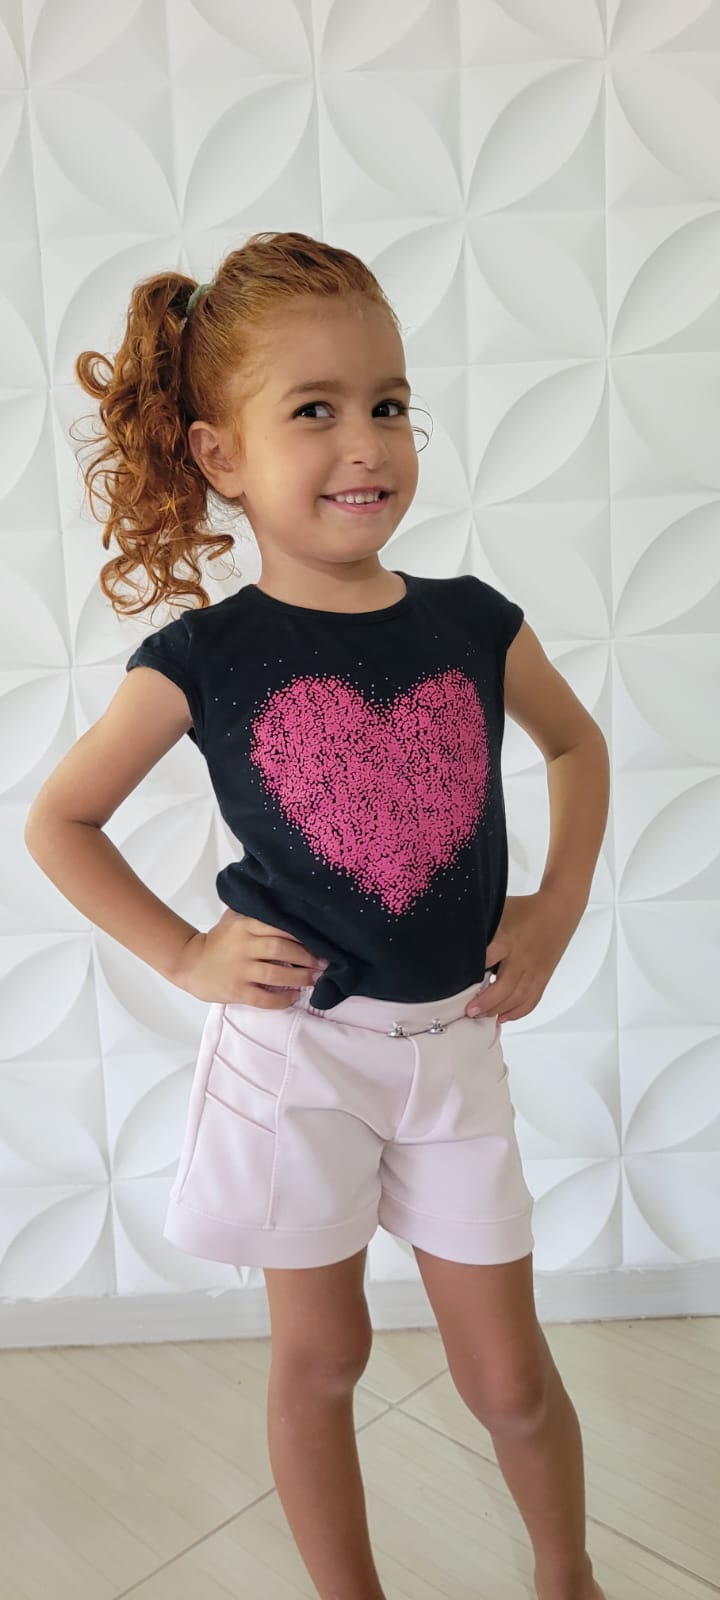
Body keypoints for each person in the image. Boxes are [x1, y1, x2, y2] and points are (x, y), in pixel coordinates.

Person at [24, 231, 609, 1600]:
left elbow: (577, 746)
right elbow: (59, 822)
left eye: (388, 403)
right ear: (220, 455)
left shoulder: (475, 623)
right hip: (297, 1057)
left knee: (508, 1375)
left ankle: (568, 1576)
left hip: (453, 1048)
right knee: (324, 1358)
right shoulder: (202, 657)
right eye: (315, 409)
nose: (367, 443)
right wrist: (185, 952)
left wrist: (555, 905)